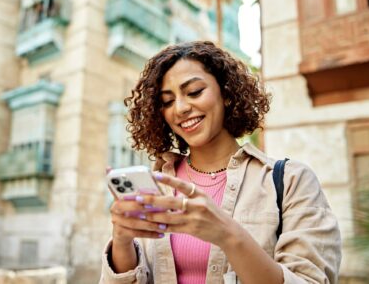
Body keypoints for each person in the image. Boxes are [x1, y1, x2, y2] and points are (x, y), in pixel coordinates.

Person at [100, 41, 341, 283]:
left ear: (226, 94)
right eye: (167, 101)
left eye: (194, 92)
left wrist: (227, 234)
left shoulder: (290, 181)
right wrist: (122, 241)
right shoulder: (158, 187)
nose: (181, 108)